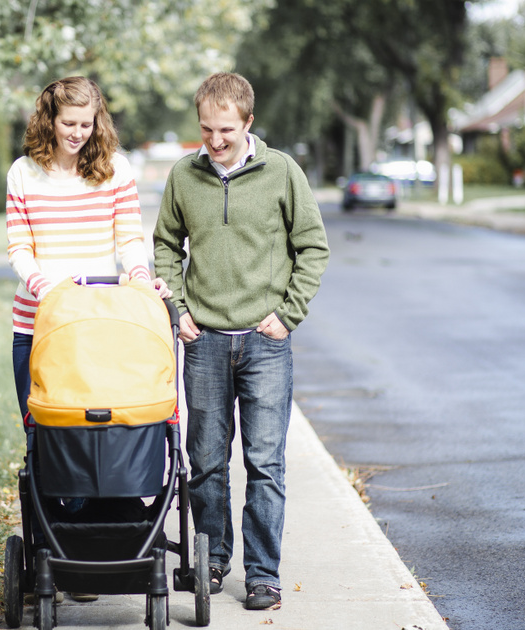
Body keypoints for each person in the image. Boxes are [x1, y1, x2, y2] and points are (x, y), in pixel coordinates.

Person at [152, 72, 329, 612]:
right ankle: (212, 558)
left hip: (264, 343)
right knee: (205, 461)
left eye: (225, 129)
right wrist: (177, 310)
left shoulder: (282, 172)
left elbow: (313, 247)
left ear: (248, 122)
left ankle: (262, 574)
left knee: (265, 462)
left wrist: (288, 314)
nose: (215, 140)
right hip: (203, 341)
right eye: (206, 129)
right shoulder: (185, 175)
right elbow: (163, 246)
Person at [6, 76, 170, 603]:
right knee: (52, 441)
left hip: (103, 327)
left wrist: (140, 276)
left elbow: (128, 236)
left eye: (87, 124)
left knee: (104, 435)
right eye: (68, 124)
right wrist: (48, 288)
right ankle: (64, 559)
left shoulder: (115, 168)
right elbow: (18, 245)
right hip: (40, 326)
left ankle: (107, 549)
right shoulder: (23, 174)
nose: (78, 134)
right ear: (49, 120)